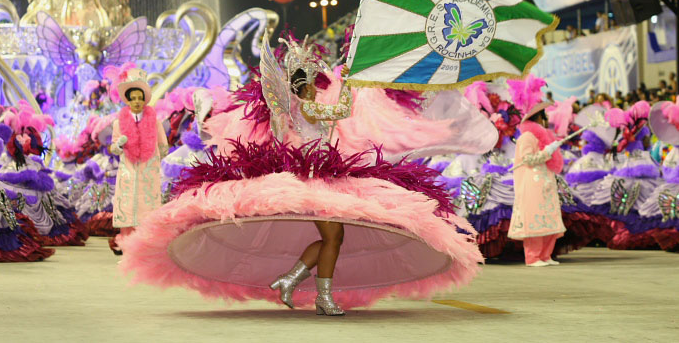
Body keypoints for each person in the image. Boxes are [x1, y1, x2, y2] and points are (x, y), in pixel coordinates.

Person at [118, 34, 495, 315]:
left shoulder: (296, 107)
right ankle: (318, 292)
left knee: (336, 237)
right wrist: (349, 82)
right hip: (314, 177)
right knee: (335, 236)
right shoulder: (309, 108)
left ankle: (299, 281)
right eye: (315, 82)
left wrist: (349, 78)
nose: (319, 87)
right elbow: (342, 109)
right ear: (307, 84)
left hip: (321, 173)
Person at [108, 68, 168, 254]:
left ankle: (146, 244)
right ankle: (126, 243)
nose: (136, 102)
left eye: (139, 98)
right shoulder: (119, 123)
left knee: (147, 206)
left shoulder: (155, 122)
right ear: (127, 99)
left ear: (144, 100)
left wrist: (153, 161)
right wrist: (118, 145)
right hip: (128, 171)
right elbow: (113, 149)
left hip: (148, 172)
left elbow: (163, 146)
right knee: (127, 205)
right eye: (132, 98)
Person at [508, 102, 566, 267]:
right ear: (538, 118)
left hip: (546, 180)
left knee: (549, 216)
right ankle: (533, 256)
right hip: (532, 182)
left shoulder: (545, 136)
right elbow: (528, 160)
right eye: (543, 117)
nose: (545, 121)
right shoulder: (526, 137)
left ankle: (545, 255)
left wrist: (551, 149)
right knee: (534, 216)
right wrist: (547, 152)